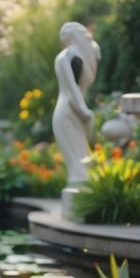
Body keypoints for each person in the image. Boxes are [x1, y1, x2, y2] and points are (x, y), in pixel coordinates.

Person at [51, 21, 100, 187]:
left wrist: (83, 112)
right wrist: (84, 111)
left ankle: (81, 205)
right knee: (78, 167)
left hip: (71, 112)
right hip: (69, 112)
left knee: (80, 164)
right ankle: (78, 205)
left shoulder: (71, 57)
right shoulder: (67, 57)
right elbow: (72, 90)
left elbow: (75, 90)